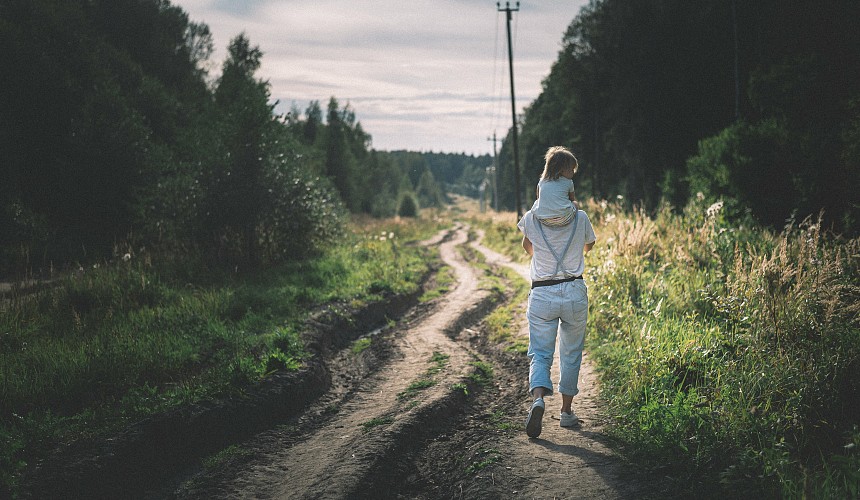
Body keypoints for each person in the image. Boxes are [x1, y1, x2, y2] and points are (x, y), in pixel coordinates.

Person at [517, 146, 596, 438]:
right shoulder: (581, 217)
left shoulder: (532, 218)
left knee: (540, 352)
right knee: (571, 353)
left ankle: (538, 400)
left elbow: (527, 248)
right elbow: (588, 246)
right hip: (574, 291)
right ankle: (566, 413)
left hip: (542, 294)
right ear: (566, 180)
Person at [531, 146, 578, 227]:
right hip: (565, 219)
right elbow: (572, 199)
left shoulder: (542, 181)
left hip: (544, 219)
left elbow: (539, 199)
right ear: (561, 169)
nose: (573, 172)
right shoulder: (568, 182)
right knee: (575, 203)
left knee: (536, 203)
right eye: (571, 169)